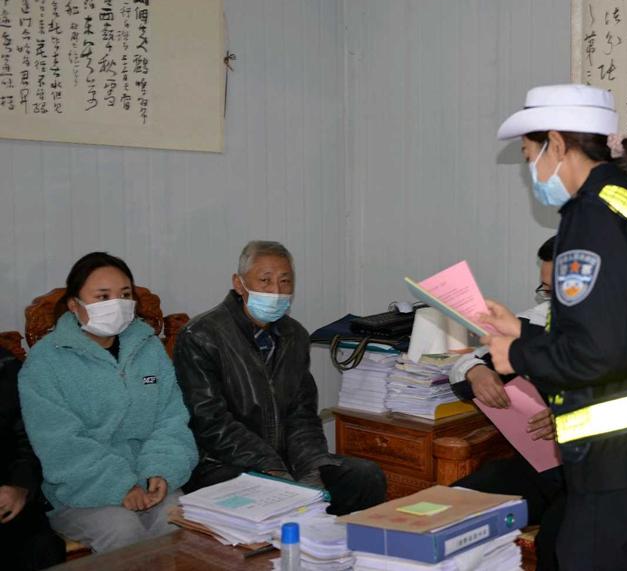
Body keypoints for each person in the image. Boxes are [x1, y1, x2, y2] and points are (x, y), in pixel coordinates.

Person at [480, 84, 627, 570]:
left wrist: (514, 355)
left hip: (622, 466)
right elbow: (626, 335)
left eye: (530, 156)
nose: (532, 171)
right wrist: (525, 334)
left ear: (556, 144)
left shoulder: (591, 217)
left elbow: (597, 355)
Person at [174, 240, 387, 515]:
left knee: (365, 476)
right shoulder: (201, 335)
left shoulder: (294, 335)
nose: (276, 291)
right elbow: (210, 422)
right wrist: (272, 468)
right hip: (224, 463)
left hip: (286, 459)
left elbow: (303, 415)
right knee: (273, 494)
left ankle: (332, 541)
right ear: (239, 284)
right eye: (265, 281)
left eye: (285, 281)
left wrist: (311, 467)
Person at [18, 252, 198, 553]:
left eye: (125, 295)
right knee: (122, 531)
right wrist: (120, 486)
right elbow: (59, 443)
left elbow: (171, 419)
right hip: (81, 491)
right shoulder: (45, 362)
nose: (116, 304)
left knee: (180, 520)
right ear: (74, 305)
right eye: (102, 296)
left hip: (151, 479)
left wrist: (161, 470)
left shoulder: (148, 347)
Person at [449, 236, 566, 571]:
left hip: (592, 478)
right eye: (546, 290)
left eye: (560, 292)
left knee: (557, 540)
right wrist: (476, 372)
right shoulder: (536, 321)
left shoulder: (625, 333)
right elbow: (463, 360)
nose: (551, 301)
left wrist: (570, 417)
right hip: (537, 466)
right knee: (454, 506)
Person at [1, 346, 65, 570]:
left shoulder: (6, 365)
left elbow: (31, 434)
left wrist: (20, 486)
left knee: (42, 547)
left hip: (9, 497)